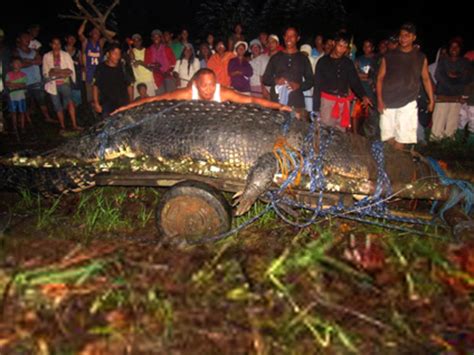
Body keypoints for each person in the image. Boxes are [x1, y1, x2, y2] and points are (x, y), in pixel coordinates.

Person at [111, 68, 292, 115]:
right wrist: (125, 107)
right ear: (196, 85)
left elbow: (252, 100)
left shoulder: (223, 93)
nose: (208, 90)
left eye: (212, 85)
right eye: (204, 85)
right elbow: (156, 98)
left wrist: (279, 106)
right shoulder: (188, 93)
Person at [376, 23, 434, 150]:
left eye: (407, 35)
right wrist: (380, 100)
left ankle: (396, 167)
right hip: (388, 101)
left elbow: (426, 79)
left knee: (401, 138)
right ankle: (391, 164)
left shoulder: (420, 57)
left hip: (408, 102)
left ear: (413, 37)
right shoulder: (390, 55)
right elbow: (380, 78)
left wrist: (431, 99)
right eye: (401, 35)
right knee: (388, 137)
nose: (403, 38)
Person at [313, 31, 372, 130]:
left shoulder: (348, 63)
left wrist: (363, 96)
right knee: (325, 133)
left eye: (345, 47)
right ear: (333, 43)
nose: (342, 50)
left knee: (340, 136)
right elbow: (317, 86)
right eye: (340, 46)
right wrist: (315, 109)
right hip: (327, 103)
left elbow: (355, 81)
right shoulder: (322, 62)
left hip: (343, 103)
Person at [262, 27, 313, 115]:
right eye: (286, 36)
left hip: (296, 102)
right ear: (284, 37)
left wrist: (299, 86)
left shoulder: (303, 58)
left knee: (296, 128)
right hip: (276, 103)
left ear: (298, 38)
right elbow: (265, 79)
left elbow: (310, 80)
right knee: (275, 128)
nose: (289, 38)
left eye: (292, 36)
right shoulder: (276, 57)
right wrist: (276, 80)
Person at [430, 38, 471, 140]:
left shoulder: (465, 63)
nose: (454, 49)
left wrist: (452, 76)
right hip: (443, 97)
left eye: (456, 47)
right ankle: (435, 145)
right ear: (449, 49)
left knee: (451, 126)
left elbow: (466, 79)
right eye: (452, 46)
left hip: (456, 98)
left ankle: (448, 147)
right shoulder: (443, 61)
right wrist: (456, 77)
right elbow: (438, 76)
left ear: (460, 49)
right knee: (437, 125)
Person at [43, 37, 81, 132]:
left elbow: (70, 71)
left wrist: (56, 71)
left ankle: (74, 124)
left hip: (65, 83)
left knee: (70, 102)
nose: (57, 46)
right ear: (51, 45)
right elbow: (47, 72)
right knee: (57, 105)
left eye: (58, 43)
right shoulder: (46, 56)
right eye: (54, 43)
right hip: (52, 85)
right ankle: (63, 126)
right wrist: (61, 72)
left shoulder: (65, 55)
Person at [16, 32, 54, 123]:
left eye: (28, 38)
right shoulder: (17, 51)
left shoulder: (34, 51)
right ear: (19, 39)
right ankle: (26, 121)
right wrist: (33, 61)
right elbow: (18, 65)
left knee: (42, 100)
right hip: (23, 81)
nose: (27, 40)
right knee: (26, 101)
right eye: (25, 37)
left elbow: (40, 62)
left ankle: (47, 117)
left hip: (36, 80)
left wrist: (28, 61)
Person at [92, 44, 133, 118]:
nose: (118, 56)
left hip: (123, 103)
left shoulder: (123, 67)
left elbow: (129, 85)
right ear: (108, 54)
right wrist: (96, 103)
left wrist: (131, 103)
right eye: (115, 53)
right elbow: (95, 86)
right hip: (107, 103)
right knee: (108, 125)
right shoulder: (100, 68)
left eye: (119, 54)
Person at [78, 20, 106, 103]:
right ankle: (92, 113)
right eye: (95, 32)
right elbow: (79, 33)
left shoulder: (100, 43)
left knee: (100, 95)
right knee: (90, 97)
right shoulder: (86, 43)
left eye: (98, 32)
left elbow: (112, 34)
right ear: (90, 34)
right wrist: (85, 21)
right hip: (89, 72)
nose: (97, 34)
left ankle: (102, 113)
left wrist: (101, 27)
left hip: (100, 73)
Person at [145, 29, 176, 95]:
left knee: (171, 97)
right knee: (160, 99)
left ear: (161, 38)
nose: (156, 38)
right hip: (156, 78)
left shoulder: (167, 48)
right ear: (152, 38)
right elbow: (147, 64)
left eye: (158, 36)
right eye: (154, 37)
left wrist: (168, 71)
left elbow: (173, 63)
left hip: (168, 77)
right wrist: (155, 65)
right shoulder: (148, 50)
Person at [128, 33, 156, 98]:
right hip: (138, 81)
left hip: (148, 80)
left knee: (151, 102)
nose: (137, 43)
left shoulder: (147, 51)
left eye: (138, 40)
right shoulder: (131, 51)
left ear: (141, 41)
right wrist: (129, 45)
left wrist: (141, 63)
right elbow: (132, 58)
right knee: (138, 104)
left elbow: (151, 68)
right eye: (134, 41)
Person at [5, 57, 27, 135]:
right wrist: (17, 85)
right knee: (13, 112)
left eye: (19, 63)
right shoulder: (9, 74)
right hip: (12, 96)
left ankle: (22, 127)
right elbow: (8, 84)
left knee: (22, 112)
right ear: (12, 64)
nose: (18, 64)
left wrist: (13, 84)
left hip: (21, 96)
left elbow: (23, 85)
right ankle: (15, 128)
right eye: (16, 63)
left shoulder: (23, 74)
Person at [64, 34, 83, 106]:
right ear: (66, 39)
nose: (72, 40)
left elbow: (81, 63)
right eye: (70, 38)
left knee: (76, 90)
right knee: (66, 91)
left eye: (74, 39)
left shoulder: (78, 51)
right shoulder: (62, 50)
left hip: (76, 73)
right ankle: (67, 107)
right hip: (64, 74)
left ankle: (77, 107)